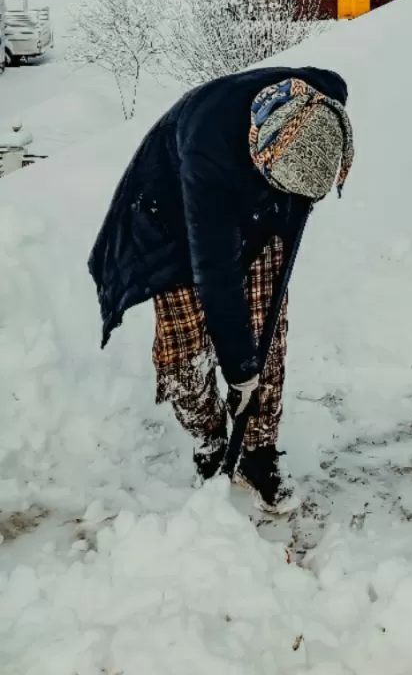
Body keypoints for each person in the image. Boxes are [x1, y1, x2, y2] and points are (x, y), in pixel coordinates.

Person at [88, 66, 352, 511]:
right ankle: (210, 441)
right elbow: (216, 274)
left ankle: (258, 453)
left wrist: (253, 364)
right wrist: (238, 368)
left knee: (269, 337)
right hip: (170, 224)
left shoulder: (322, 99)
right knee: (184, 355)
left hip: (263, 211)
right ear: (262, 157)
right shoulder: (207, 152)